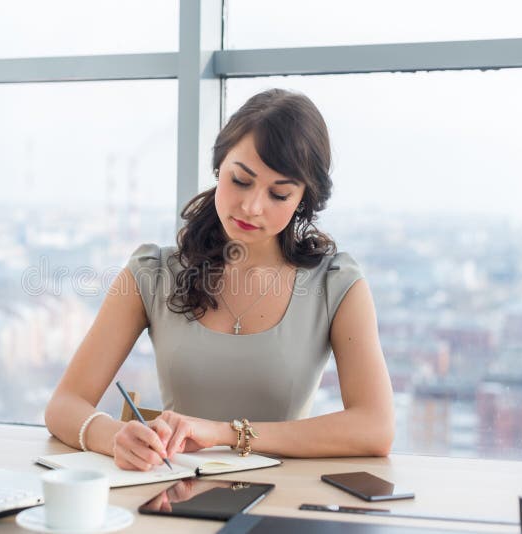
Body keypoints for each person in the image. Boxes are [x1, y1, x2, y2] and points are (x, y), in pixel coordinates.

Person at [45, 88, 394, 471]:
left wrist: (226, 433)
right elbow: (64, 405)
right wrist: (113, 437)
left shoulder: (336, 284)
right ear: (219, 165)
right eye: (240, 180)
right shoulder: (152, 272)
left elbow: (375, 428)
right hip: (170, 494)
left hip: (282, 502)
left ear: (302, 201)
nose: (252, 206)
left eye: (279, 194)